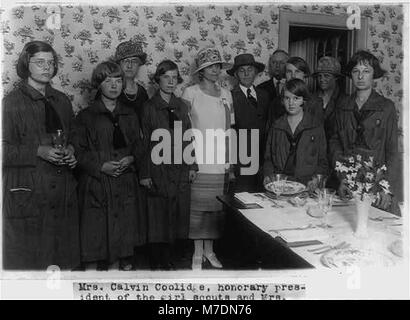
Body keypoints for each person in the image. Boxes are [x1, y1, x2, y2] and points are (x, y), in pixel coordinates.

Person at [2, 40, 80, 269]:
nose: (47, 67)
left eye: (51, 62)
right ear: (26, 64)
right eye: (40, 62)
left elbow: (74, 138)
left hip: (63, 193)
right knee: (31, 263)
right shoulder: (11, 103)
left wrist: (72, 151)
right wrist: (38, 151)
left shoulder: (62, 101)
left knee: (62, 262)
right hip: (29, 193)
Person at [73, 61, 146, 271]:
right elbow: (77, 151)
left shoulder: (130, 114)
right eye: (108, 80)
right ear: (99, 84)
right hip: (96, 185)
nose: (114, 85)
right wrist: (100, 166)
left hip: (124, 183)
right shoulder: (86, 116)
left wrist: (131, 159)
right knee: (94, 238)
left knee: (119, 240)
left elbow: (140, 146)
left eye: (118, 80)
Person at [139, 60, 197, 270]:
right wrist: (145, 173)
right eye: (166, 77)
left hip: (181, 167)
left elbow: (189, 136)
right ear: (158, 80)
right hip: (158, 168)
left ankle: (176, 260)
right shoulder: (149, 108)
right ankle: (159, 263)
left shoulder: (182, 106)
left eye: (175, 78)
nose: (171, 82)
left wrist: (192, 166)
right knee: (159, 216)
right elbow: (144, 143)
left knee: (179, 215)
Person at [182, 46, 234, 270]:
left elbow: (231, 128)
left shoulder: (226, 93)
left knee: (215, 208)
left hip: (220, 160)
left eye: (217, 66)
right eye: (210, 66)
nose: (215, 70)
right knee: (198, 208)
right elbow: (183, 128)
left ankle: (210, 251)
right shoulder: (190, 93)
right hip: (198, 158)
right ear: (201, 71)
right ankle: (197, 253)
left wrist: (230, 163)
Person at [329, 50, 399, 214]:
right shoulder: (342, 105)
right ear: (351, 75)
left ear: (374, 75)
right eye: (356, 71)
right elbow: (335, 144)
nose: (360, 76)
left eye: (366, 71)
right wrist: (342, 178)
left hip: (376, 185)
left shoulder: (386, 107)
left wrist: (386, 188)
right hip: (348, 183)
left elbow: (392, 152)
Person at [263, 79, 328, 188]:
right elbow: (268, 159)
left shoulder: (315, 126)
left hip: (307, 184)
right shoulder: (276, 126)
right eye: (287, 98)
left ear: (304, 100)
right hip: (281, 185)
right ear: (282, 101)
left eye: (296, 98)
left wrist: (316, 179)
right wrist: (268, 176)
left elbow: (323, 160)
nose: (291, 103)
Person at [227, 53, 270, 192]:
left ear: (256, 72)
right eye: (241, 70)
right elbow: (230, 131)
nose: (246, 74)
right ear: (236, 75)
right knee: (243, 199)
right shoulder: (230, 97)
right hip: (242, 160)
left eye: (250, 69)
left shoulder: (264, 95)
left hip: (263, 160)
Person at [114, 40, 149, 120]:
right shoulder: (109, 89)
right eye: (126, 61)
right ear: (119, 64)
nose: (129, 66)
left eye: (134, 61)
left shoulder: (142, 92)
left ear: (139, 65)